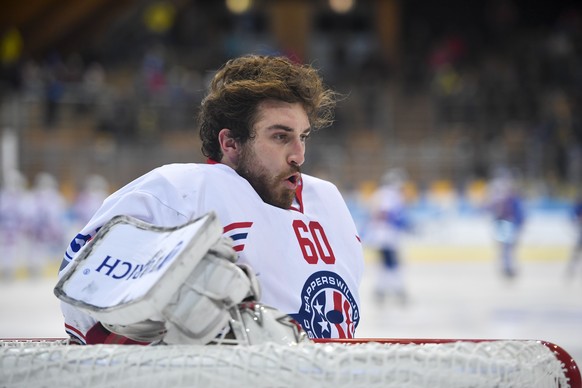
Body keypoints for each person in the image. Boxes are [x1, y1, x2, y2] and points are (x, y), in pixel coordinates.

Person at [57, 55, 364, 345]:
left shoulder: (328, 200)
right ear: (230, 143)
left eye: (304, 137)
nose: (299, 155)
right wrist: (153, 323)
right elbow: (79, 281)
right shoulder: (182, 191)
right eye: (280, 137)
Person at [364, 168, 412, 304]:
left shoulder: (380, 193)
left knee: (386, 263)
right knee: (391, 263)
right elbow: (384, 213)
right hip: (386, 235)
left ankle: (382, 290)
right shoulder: (390, 195)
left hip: (381, 235)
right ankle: (395, 289)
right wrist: (399, 222)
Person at [485, 168, 525, 279]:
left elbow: (492, 207)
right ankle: (506, 267)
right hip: (503, 222)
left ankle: (506, 267)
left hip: (505, 222)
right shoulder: (501, 194)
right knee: (506, 247)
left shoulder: (507, 195)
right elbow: (492, 208)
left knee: (506, 247)